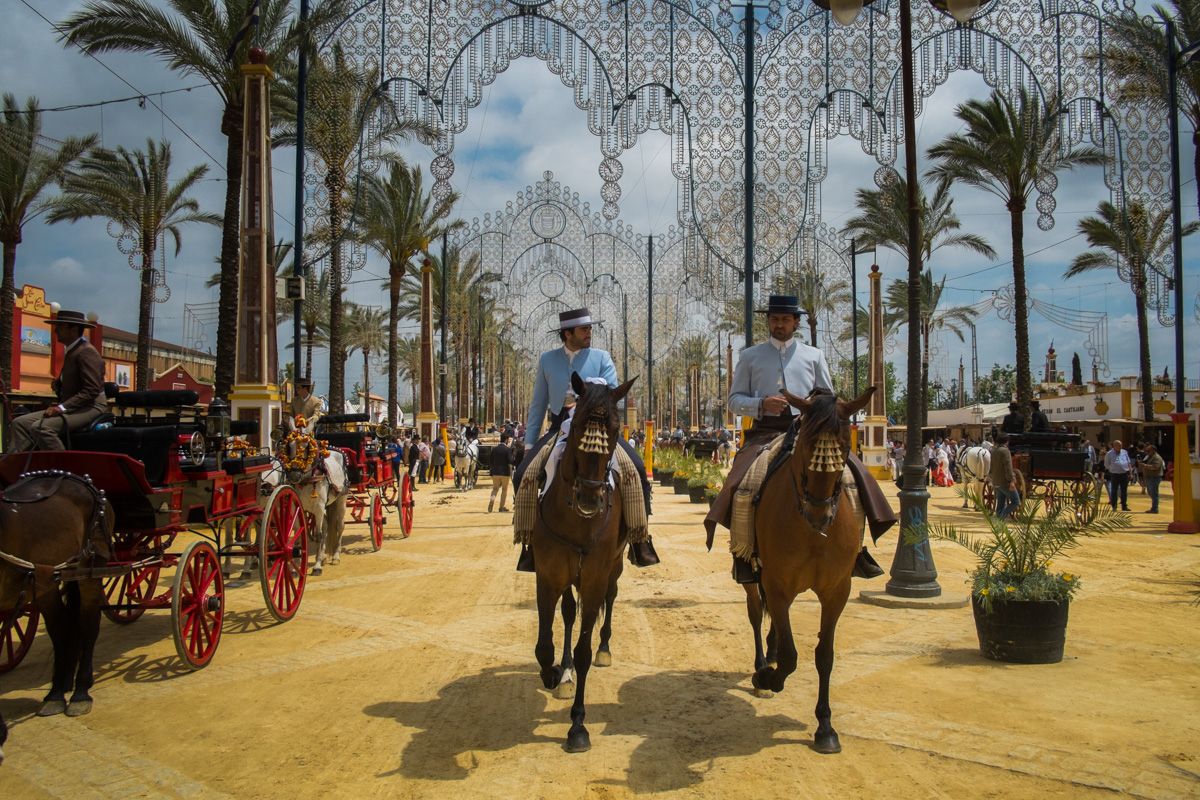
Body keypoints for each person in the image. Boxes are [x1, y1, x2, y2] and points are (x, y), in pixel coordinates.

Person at [703, 294, 896, 583]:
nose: (778, 324)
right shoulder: (750, 357)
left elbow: (828, 397)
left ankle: (855, 550)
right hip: (765, 431)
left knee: (854, 474)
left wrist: (815, 410)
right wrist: (759, 405)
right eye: (774, 319)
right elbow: (733, 401)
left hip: (810, 430)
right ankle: (744, 554)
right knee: (742, 480)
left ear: (796, 322)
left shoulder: (813, 356)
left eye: (784, 319)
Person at [516, 307, 658, 571]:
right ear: (567, 333)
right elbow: (538, 405)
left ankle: (640, 540)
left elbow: (612, 392)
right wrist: (528, 444)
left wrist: (585, 404)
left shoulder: (602, 357)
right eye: (584, 329)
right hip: (560, 428)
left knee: (636, 469)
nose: (589, 333)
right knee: (523, 474)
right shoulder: (547, 360)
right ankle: (530, 544)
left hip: (598, 428)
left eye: (590, 328)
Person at [8, 310, 106, 452]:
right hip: (75, 406)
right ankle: (15, 467)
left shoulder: (86, 351)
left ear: (73, 329)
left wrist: (61, 408)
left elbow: (91, 390)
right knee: (20, 423)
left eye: (60, 326)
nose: (56, 330)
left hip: (91, 407)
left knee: (41, 428)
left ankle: (62, 468)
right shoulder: (72, 351)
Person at [989, 434, 1019, 518]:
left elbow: (991, 466)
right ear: (1007, 441)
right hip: (1004, 482)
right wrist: (1012, 480)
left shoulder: (994, 450)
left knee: (1000, 504)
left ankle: (999, 523)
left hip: (996, 481)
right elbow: (1008, 467)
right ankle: (1001, 516)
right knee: (1016, 502)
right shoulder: (1005, 451)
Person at [488, 433, 514, 513]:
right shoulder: (508, 450)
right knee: (504, 490)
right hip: (505, 473)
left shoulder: (494, 449)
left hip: (495, 472)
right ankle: (501, 507)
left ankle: (492, 499)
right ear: (506, 440)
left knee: (495, 489)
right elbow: (510, 461)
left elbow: (490, 461)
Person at [1104, 440, 1132, 511]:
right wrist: (1112, 469)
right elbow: (1106, 464)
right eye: (1118, 445)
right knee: (1114, 491)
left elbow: (1128, 463)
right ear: (1114, 446)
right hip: (1115, 474)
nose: (1120, 447)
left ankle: (1124, 506)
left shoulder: (1124, 452)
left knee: (1124, 491)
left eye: (1121, 445)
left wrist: (1130, 473)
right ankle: (1114, 506)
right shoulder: (1109, 454)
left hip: (1124, 474)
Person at [1141, 445, 1165, 513]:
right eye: (1146, 450)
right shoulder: (1150, 457)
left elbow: (1156, 467)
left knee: (1154, 493)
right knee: (1150, 492)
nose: (1147, 452)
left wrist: (1145, 466)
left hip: (1155, 477)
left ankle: (1155, 508)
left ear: (1153, 450)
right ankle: (1154, 506)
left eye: (1149, 450)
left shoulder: (1157, 457)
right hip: (1150, 477)